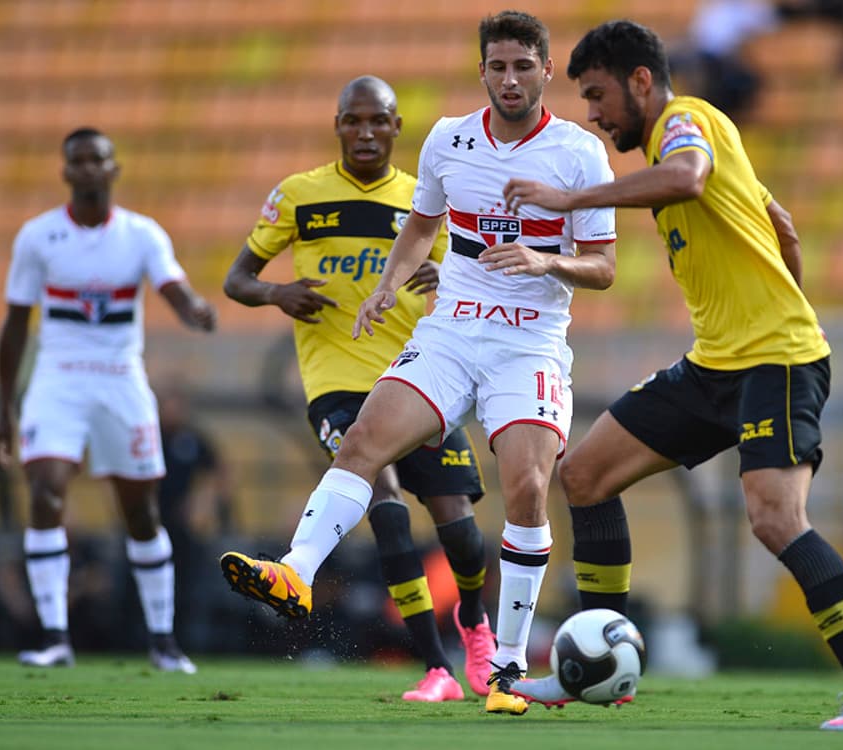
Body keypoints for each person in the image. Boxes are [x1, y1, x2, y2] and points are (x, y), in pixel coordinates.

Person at [501, 19, 843, 730]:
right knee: (586, 474)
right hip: (715, 362)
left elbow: (690, 179)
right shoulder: (686, 142)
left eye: (598, 96)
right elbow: (776, 238)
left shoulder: (686, 121)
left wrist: (570, 201)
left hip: (775, 361)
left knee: (775, 517)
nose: (593, 116)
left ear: (640, 82)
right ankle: (603, 668)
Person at [218, 10, 618, 716]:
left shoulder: (578, 153)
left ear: (546, 70)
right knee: (366, 442)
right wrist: (382, 288)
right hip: (453, 331)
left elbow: (605, 267)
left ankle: (508, 668)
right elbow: (423, 226)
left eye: (524, 66)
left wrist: (542, 259)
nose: (510, 79)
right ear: (483, 72)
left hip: (528, 342)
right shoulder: (449, 140)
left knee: (525, 486)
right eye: (498, 66)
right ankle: (294, 571)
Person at [219, 75, 499, 702]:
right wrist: (275, 292)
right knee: (389, 512)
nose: (367, 132)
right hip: (338, 385)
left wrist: (447, 272)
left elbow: (478, 274)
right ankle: (436, 668)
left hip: (421, 378)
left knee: (460, 529)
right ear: (338, 125)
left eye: (379, 121)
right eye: (354, 121)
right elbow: (238, 277)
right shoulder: (299, 196)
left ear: (398, 128)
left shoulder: (428, 202)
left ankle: (475, 624)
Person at [0, 127, 217, 674]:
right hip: (57, 378)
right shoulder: (38, 237)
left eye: (99, 160)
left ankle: (162, 639)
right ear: (66, 172)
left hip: (119, 378)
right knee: (46, 490)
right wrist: (5, 407)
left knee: (140, 511)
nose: (89, 169)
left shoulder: (141, 235)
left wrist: (194, 310)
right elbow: (15, 326)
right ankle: (53, 635)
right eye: (79, 161)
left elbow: (173, 288)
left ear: (114, 170)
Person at [155, 380, 236, 652]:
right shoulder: (149, 437)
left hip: (183, 526)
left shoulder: (192, 440)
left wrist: (203, 502)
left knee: (188, 585)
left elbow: (218, 471)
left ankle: (187, 642)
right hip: (151, 522)